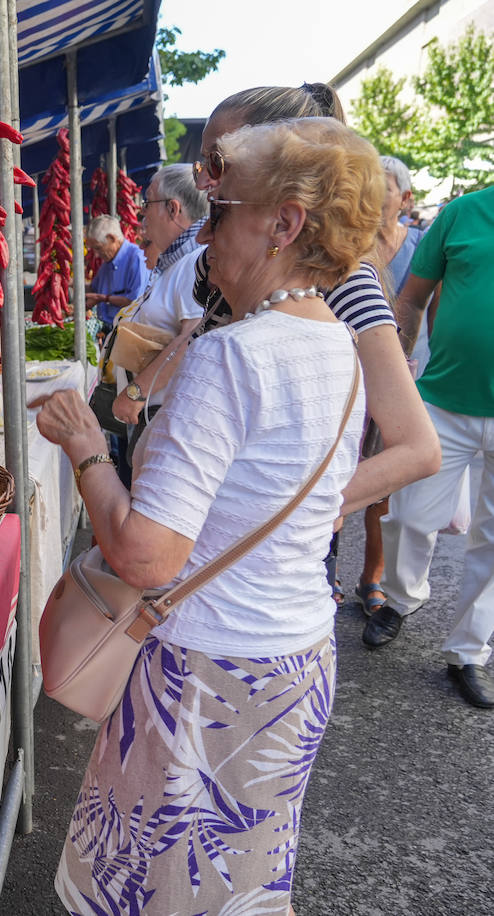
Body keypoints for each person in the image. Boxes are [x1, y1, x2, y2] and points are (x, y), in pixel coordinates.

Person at [37, 117, 385, 916]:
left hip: (206, 672)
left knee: (154, 889)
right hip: (293, 660)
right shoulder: (336, 341)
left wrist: (87, 447)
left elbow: (146, 558)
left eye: (221, 212)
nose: (204, 231)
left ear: (284, 224)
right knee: (236, 884)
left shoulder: (235, 354)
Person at [188, 84, 439, 611]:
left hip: (262, 574)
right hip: (201, 556)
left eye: (217, 158)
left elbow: (418, 447)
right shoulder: (235, 253)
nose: (207, 179)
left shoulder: (343, 280)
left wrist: (296, 505)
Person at [365, 184, 494, 708]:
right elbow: (413, 296)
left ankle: (468, 652)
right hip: (444, 398)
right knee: (411, 516)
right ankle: (400, 597)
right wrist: (397, 372)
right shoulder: (462, 213)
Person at [353, 156, 427, 613]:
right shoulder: (353, 242)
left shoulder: (421, 245)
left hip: (407, 376)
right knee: (339, 466)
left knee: (385, 484)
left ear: (404, 197)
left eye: (382, 185)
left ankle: (372, 577)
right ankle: (324, 572)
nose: (373, 193)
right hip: (353, 375)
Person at [107, 164, 208, 454]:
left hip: (166, 418)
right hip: (154, 416)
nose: (142, 215)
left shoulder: (193, 263)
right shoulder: (176, 262)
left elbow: (193, 338)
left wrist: (138, 391)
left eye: (147, 203)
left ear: (173, 209)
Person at [83, 214, 149, 331]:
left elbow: (135, 301)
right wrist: (70, 284)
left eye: (98, 248)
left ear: (112, 239)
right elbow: (94, 288)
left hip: (128, 332)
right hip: (108, 329)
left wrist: (103, 298)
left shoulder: (136, 258)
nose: (97, 254)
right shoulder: (107, 263)